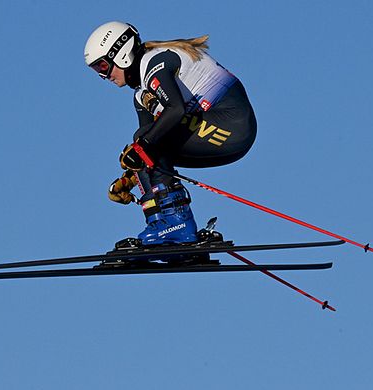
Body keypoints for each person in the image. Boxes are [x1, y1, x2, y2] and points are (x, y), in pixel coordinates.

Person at [84, 21, 257, 246]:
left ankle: (179, 224)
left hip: (233, 127)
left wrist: (143, 146)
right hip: (215, 131)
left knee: (146, 140)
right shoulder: (140, 95)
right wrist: (129, 178)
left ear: (121, 53)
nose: (103, 76)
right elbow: (147, 147)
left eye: (103, 67)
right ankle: (159, 225)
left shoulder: (156, 62)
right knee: (142, 143)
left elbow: (175, 110)